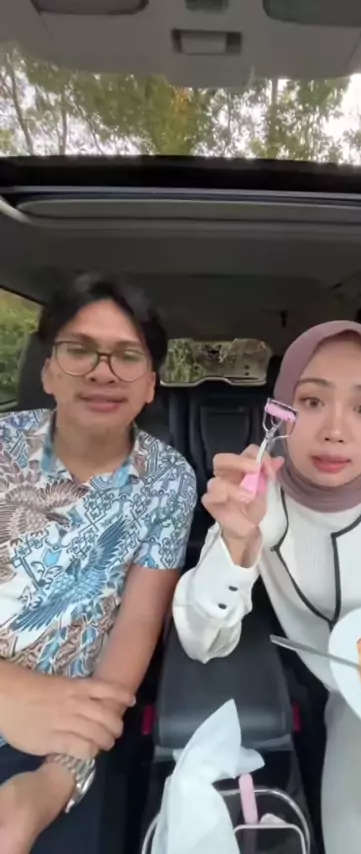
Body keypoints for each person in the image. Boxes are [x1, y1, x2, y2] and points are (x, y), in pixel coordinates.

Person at [173, 320, 361, 854]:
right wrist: (238, 541)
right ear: (281, 413)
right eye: (312, 402)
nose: (336, 431)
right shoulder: (260, 504)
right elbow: (203, 640)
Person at [0, 274, 196, 854]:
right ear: (47, 371)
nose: (102, 372)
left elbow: (136, 627)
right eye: (80, 349)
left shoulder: (169, 481)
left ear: (151, 385)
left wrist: (55, 780)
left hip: (66, 729)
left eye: (127, 356)